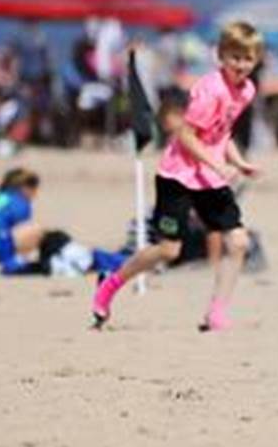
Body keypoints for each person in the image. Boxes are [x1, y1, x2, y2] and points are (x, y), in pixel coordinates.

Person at [90, 22, 264, 332]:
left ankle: (216, 312)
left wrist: (240, 162)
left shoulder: (247, 91)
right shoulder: (209, 90)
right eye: (234, 57)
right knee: (170, 250)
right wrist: (217, 163)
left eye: (247, 58)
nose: (241, 65)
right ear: (221, 56)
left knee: (238, 241)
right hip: (177, 176)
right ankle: (111, 283)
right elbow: (185, 135)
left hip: (209, 177)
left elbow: (222, 133)